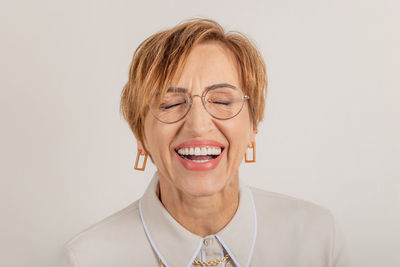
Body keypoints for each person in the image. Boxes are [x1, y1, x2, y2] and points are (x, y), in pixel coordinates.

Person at [60, 18, 350, 267]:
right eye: (171, 104)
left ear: (253, 126)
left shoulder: (318, 239)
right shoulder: (87, 259)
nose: (198, 125)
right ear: (140, 135)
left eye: (222, 100)